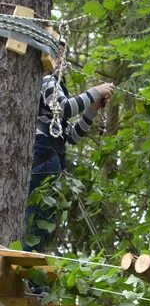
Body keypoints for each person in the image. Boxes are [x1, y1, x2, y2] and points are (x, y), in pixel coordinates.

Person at [26, 40, 114, 252]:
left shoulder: (56, 84)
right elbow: (64, 108)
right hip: (42, 153)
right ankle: (26, 266)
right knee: (37, 216)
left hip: (51, 155)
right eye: (57, 55)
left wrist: (92, 109)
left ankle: (31, 268)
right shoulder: (46, 79)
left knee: (43, 218)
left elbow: (72, 136)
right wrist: (95, 90)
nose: (61, 61)